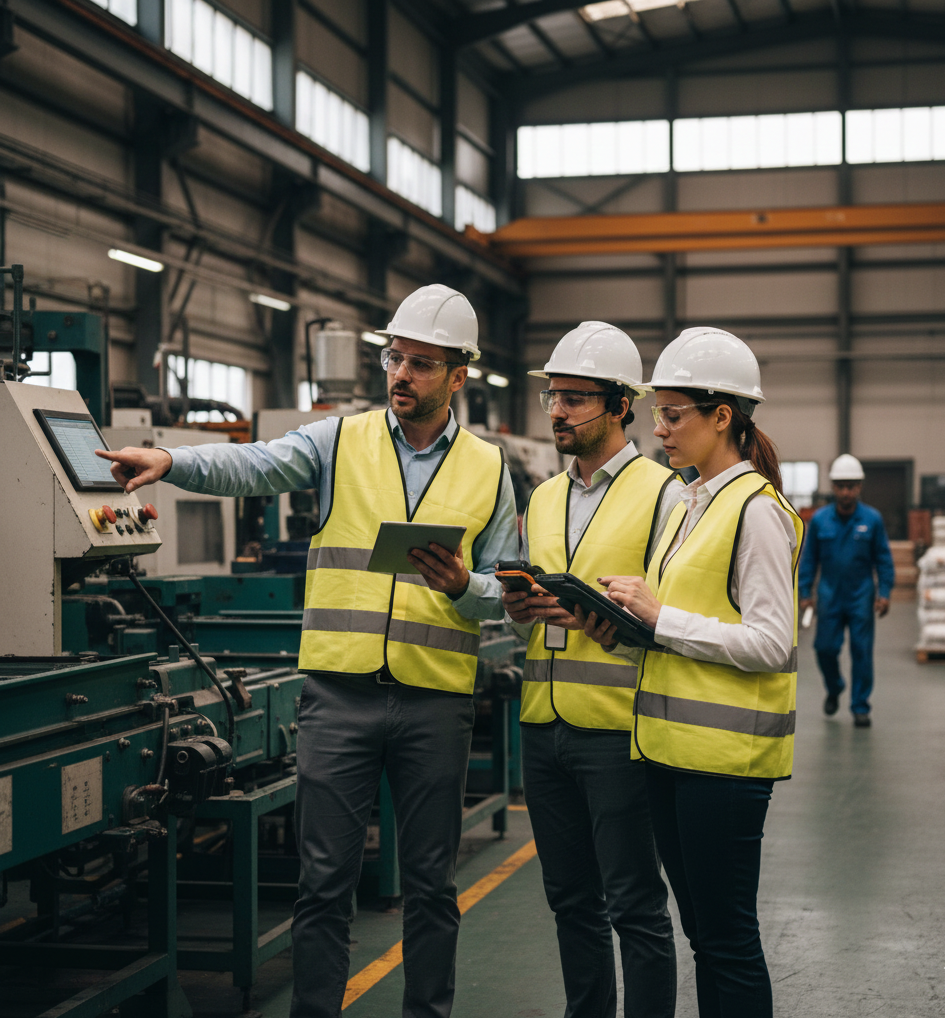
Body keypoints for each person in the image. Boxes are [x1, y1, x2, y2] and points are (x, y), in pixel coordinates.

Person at [96, 284, 519, 1018]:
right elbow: (253, 464)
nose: (401, 374)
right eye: (394, 358)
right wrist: (170, 459)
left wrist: (463, 586)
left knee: (429, 884)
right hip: (338, 697)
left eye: (421, 364)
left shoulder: (487, 467)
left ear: (458, 376)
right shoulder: (338, 440)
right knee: (324, 883)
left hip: (435, 701)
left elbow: (506, 588)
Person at [580, 327, 803, 1018]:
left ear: (722, 416)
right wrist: (620, 631)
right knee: (705, 936)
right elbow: (680, 630)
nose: (659, 429)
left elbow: (772, 643)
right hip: (671, 753)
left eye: (673, 415)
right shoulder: (688, 504)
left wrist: (659, 616)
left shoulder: (756, 511)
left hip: (725, 763)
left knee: (728, 939)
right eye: (658, 413)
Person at [502, 322, 680, 1018]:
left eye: (574, 398)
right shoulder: (544, 497)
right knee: (570, 900)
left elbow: (673, 619)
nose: (557, 411)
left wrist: (619, 627)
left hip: (619, 729)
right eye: (552, 396)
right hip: (542, 725)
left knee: (634, 903)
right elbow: (535, 611)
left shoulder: (664, 494)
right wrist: (520, 608)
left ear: (619, 406)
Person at [799, 453, 894, 727]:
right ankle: (835, 686)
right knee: (824, 649)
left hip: (860, 596)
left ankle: (860, 706)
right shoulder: (820, 520)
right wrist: (805, 593)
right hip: (829, 595)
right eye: (840, 486)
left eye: (851, 486)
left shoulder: (872, 520)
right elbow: (809, 559)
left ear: (859, 487)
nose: (845, 492)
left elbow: (883, 559)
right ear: (833, 487)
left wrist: (884, 592)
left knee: (862, 651)